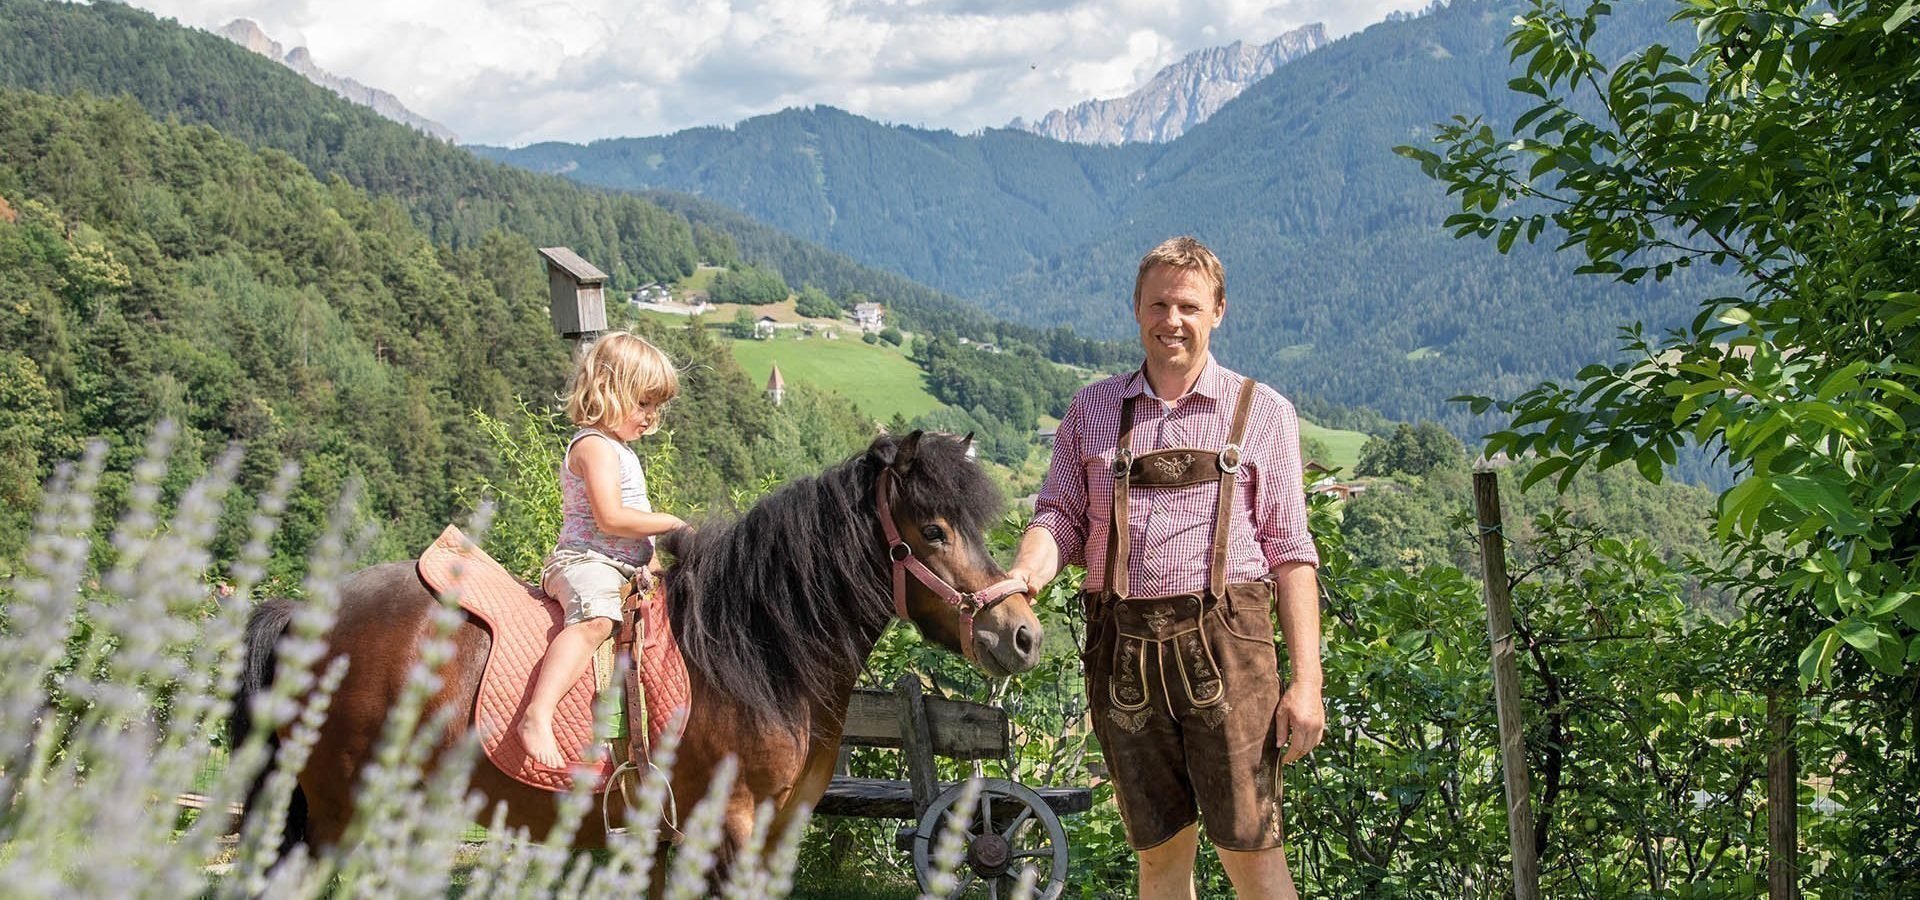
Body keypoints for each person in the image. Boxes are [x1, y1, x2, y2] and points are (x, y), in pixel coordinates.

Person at [1005, 237, 1325, 898]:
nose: (1171, 319)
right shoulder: (1091, 411)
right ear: (1136, 309)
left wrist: (1308, 684)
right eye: (1158, 304)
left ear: (1218, 312)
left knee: (1254, 858)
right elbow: (1059, 515)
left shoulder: (1262, 412)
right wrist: (1027, 575)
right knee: (1157, 860)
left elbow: (1292, 553)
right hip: (1122, 658)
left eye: (1188, 305)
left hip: (1232, 656)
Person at [517, 331, 687, 769]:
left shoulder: (622, 451)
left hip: (623, 567)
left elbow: (635, 536)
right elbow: (611, 518)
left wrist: (654, 563)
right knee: (596, 619)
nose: (651, 416)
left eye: (656, 406)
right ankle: (537, 714)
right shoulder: (593, 446)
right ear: (610, 390)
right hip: (585, 561)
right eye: (643, 403)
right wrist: (672, 523)